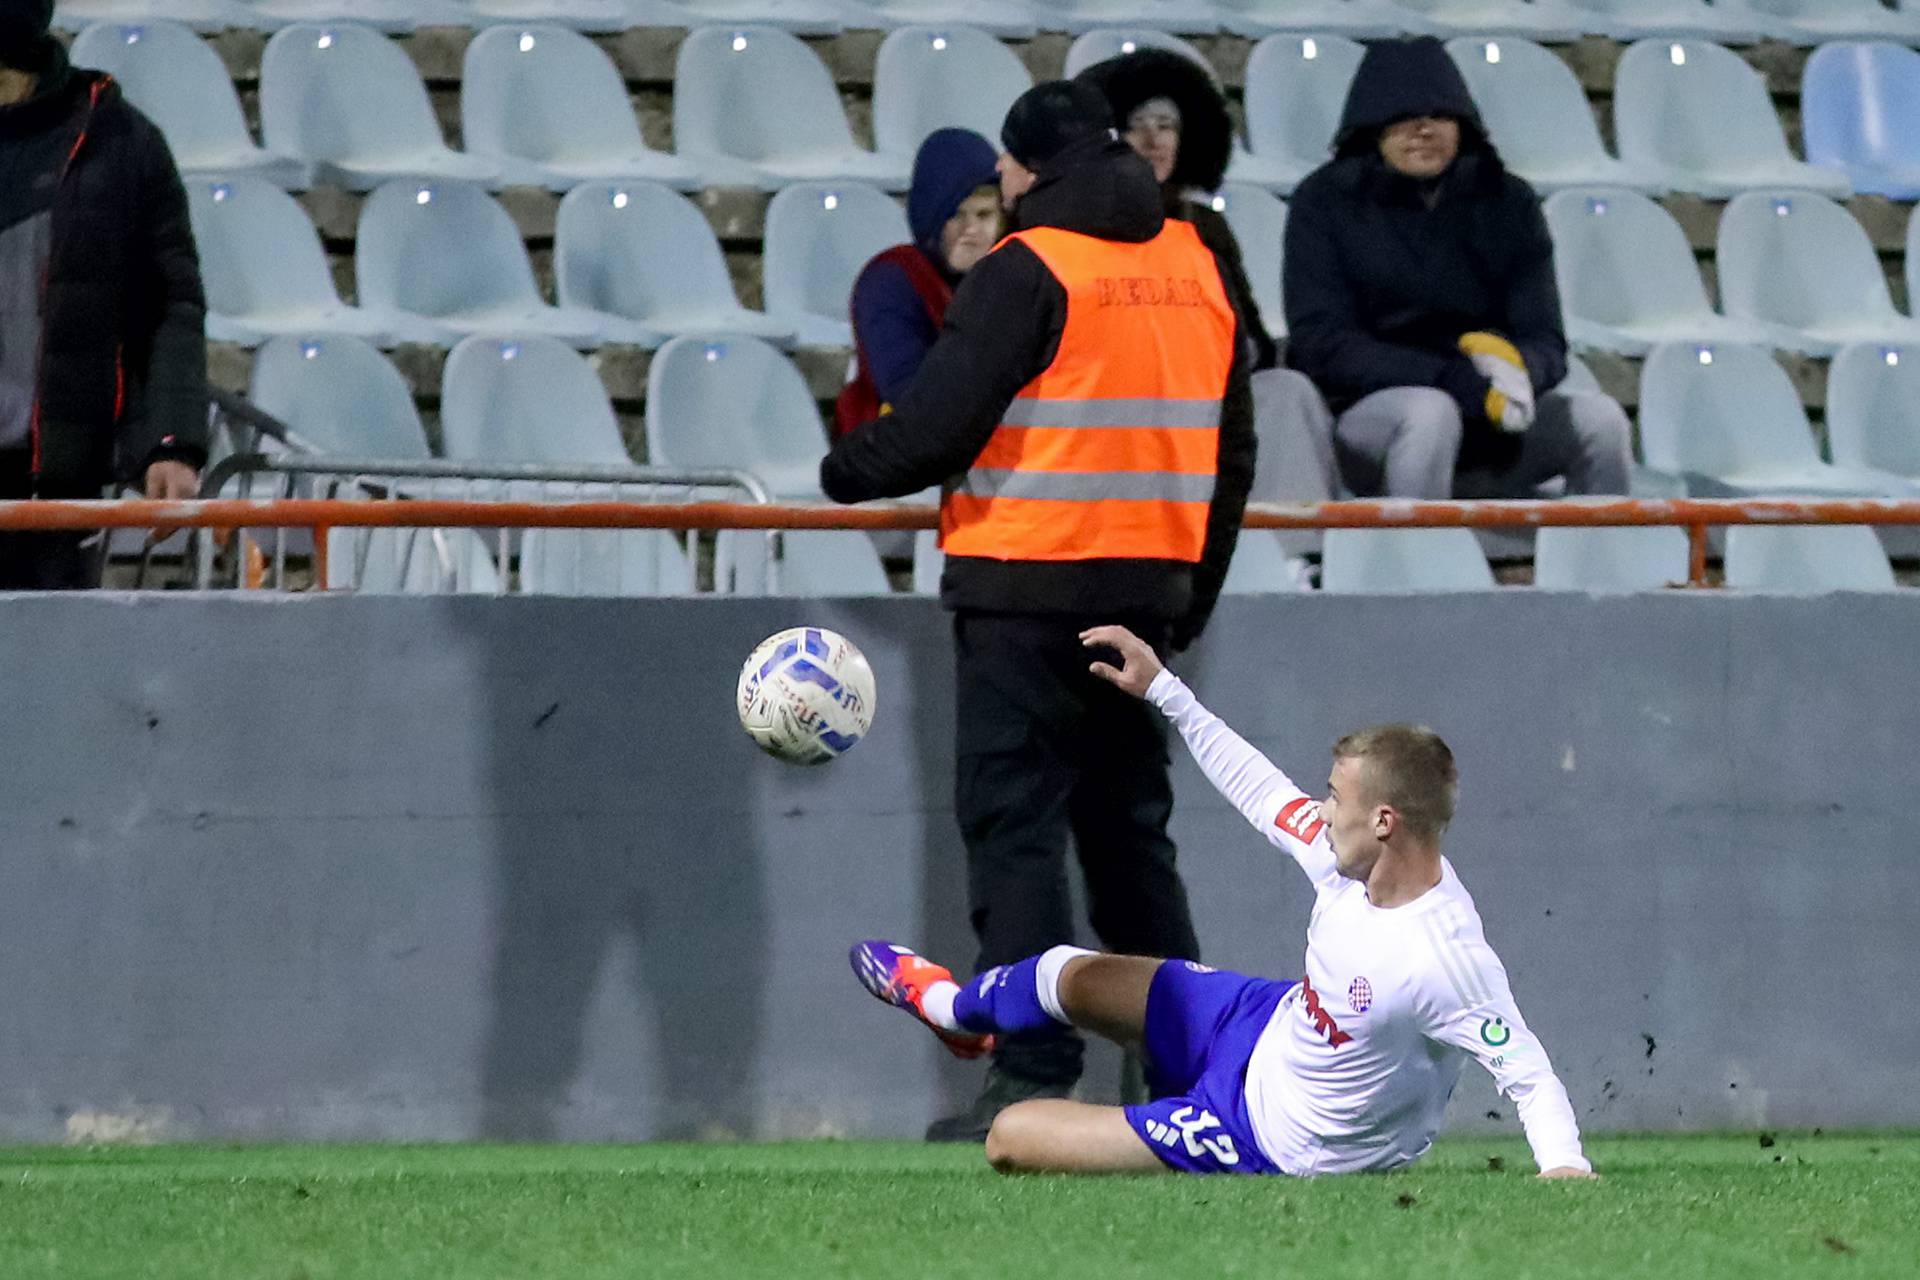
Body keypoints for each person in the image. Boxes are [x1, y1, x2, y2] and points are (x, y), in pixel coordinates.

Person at [819, 81, 1256, 1142]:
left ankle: (1034, 1071)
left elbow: (932, 429)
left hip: (1022, 590)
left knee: (1016, 835)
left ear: (1025, 168)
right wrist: (1190, 588)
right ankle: (1189, 1068)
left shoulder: (1033, 265)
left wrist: (841, 471)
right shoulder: (1197, 260)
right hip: (1146, 593)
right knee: (1129, 844)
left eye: (1006, 176)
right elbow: (1233, 446)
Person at [852, 624, 1596, 1180]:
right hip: (1263, 1022)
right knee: (1062, 974)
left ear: (1384, 822)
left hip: (1266, 1134)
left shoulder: (1443, 959)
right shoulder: (1346, 858)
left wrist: (1564, 1172)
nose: (1321, 810)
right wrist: (1165, 692)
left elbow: (1527, 1074)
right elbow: (1262, 789)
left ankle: (1141, 1113)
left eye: (1336, 799)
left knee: (1008, 1137)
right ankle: (951, 1011)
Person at [1284, 36, 1630, 501]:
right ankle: (1416, 564)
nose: (1423, 129)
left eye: (1439, 115)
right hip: (1370, 416)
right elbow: (1320, 343)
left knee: (1600, 421)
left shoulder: (1509, 201)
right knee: (1432, 413)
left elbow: (1545, 336)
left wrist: (1515, 372)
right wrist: (1444, 378)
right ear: (1372, 128)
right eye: (1403, 117)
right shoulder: (1325, 201)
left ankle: (1612, 564)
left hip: (1491, 413)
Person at [0, 0, 207, 589]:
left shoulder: (119, 141)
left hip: (55, 496)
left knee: (47, 676)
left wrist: (171, 441)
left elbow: (169, 307)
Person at [834, 128, 1001, 437]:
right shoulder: (891, 279)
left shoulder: (1014, 273)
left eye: (984, 215)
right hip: (903, 454)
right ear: (932, 220)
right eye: (956, 216)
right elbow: (908, 390)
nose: (972, 230)